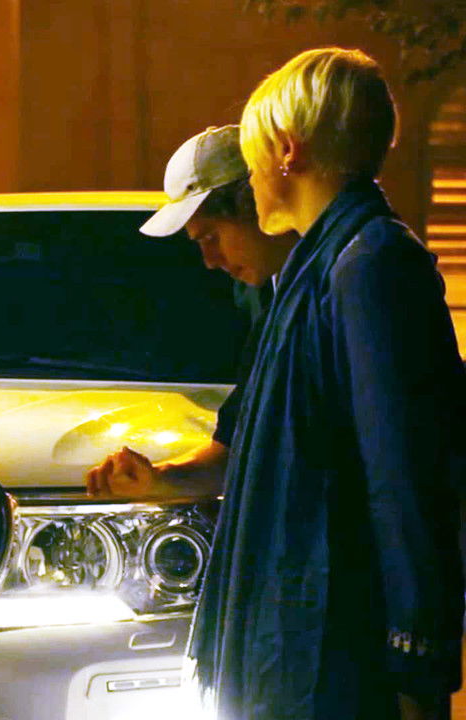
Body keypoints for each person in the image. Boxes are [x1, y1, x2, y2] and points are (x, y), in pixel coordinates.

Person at [190, 48, 466, 720]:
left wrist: (416, 656)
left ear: (287, 151)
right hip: (307, 649)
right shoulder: (327, 266)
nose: (251, 177)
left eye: (253, 156)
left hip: (333, 659)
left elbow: (405, 477)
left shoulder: (369, 264)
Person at [85, 125, 294, 498]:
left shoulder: (330, 290)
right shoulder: (274, 308)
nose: (210, 260)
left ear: (256, 205)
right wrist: (157, 479)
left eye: (211, 237)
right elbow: (234, 454)